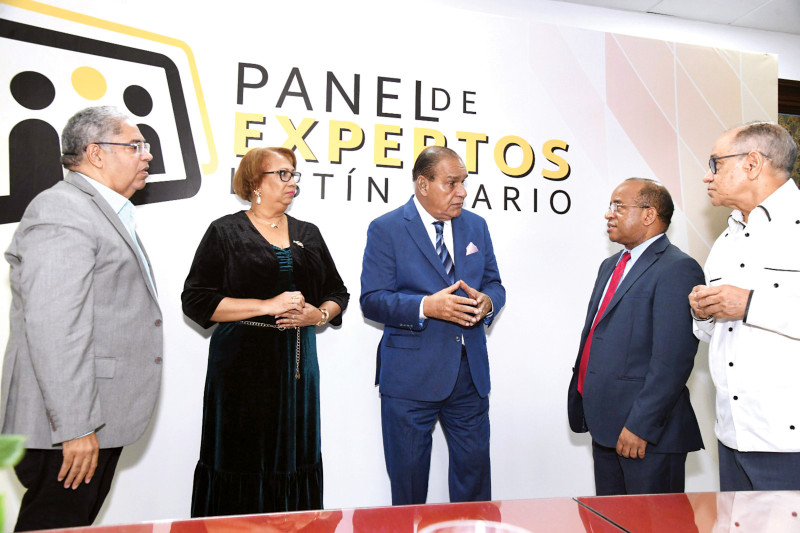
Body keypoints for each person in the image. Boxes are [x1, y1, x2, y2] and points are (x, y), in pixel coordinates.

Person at [0, 106, 162, 531]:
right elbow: (56, 328)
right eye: (135, 145)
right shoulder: (64, 209)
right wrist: (75, 428)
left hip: (91, 420)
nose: (147, 155)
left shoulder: (97, 210)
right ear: (95, 153)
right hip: (69, 427)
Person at [182, 147, 349, 517]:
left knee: (297, 458)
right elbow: (196, 300)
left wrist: (318, 315)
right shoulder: (225, 231)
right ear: (255, 182)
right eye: (282, 174)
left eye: (294, 174)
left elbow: (338, 293)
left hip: (299, 376)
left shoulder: (309, 233)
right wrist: (266, 305)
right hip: (241, 373)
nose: (292, 183)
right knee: (240, 458)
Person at [360, 146, 506, 505]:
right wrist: (427, 306)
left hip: (469, 377)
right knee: (408, 489)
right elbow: (372, 299)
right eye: (451, 183)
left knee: (475, 484)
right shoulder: (386, 229)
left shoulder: (476, 225)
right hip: (409, 380)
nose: (462, 192)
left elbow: (494, 284)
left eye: (464, 182)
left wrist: (488, 302)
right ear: (423, 184)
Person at [567, 178, 704, 496]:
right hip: (605, 428)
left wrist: (640, 426)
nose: (609, 214)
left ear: (649, 214)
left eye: (618, 206)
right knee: (609, 519)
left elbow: (672, 360)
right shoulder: (610, 265)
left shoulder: (677, 268)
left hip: (645, 435)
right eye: (610, 206)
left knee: (654, 521)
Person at [689, 122, 800, 491]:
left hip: (789, 442)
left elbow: (747, 308)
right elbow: (715, 334)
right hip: (733, 434)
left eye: (716, 164)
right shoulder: (727, 238)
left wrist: (751, 304)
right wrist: (703, 312)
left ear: (753, 163)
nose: (707, 176)